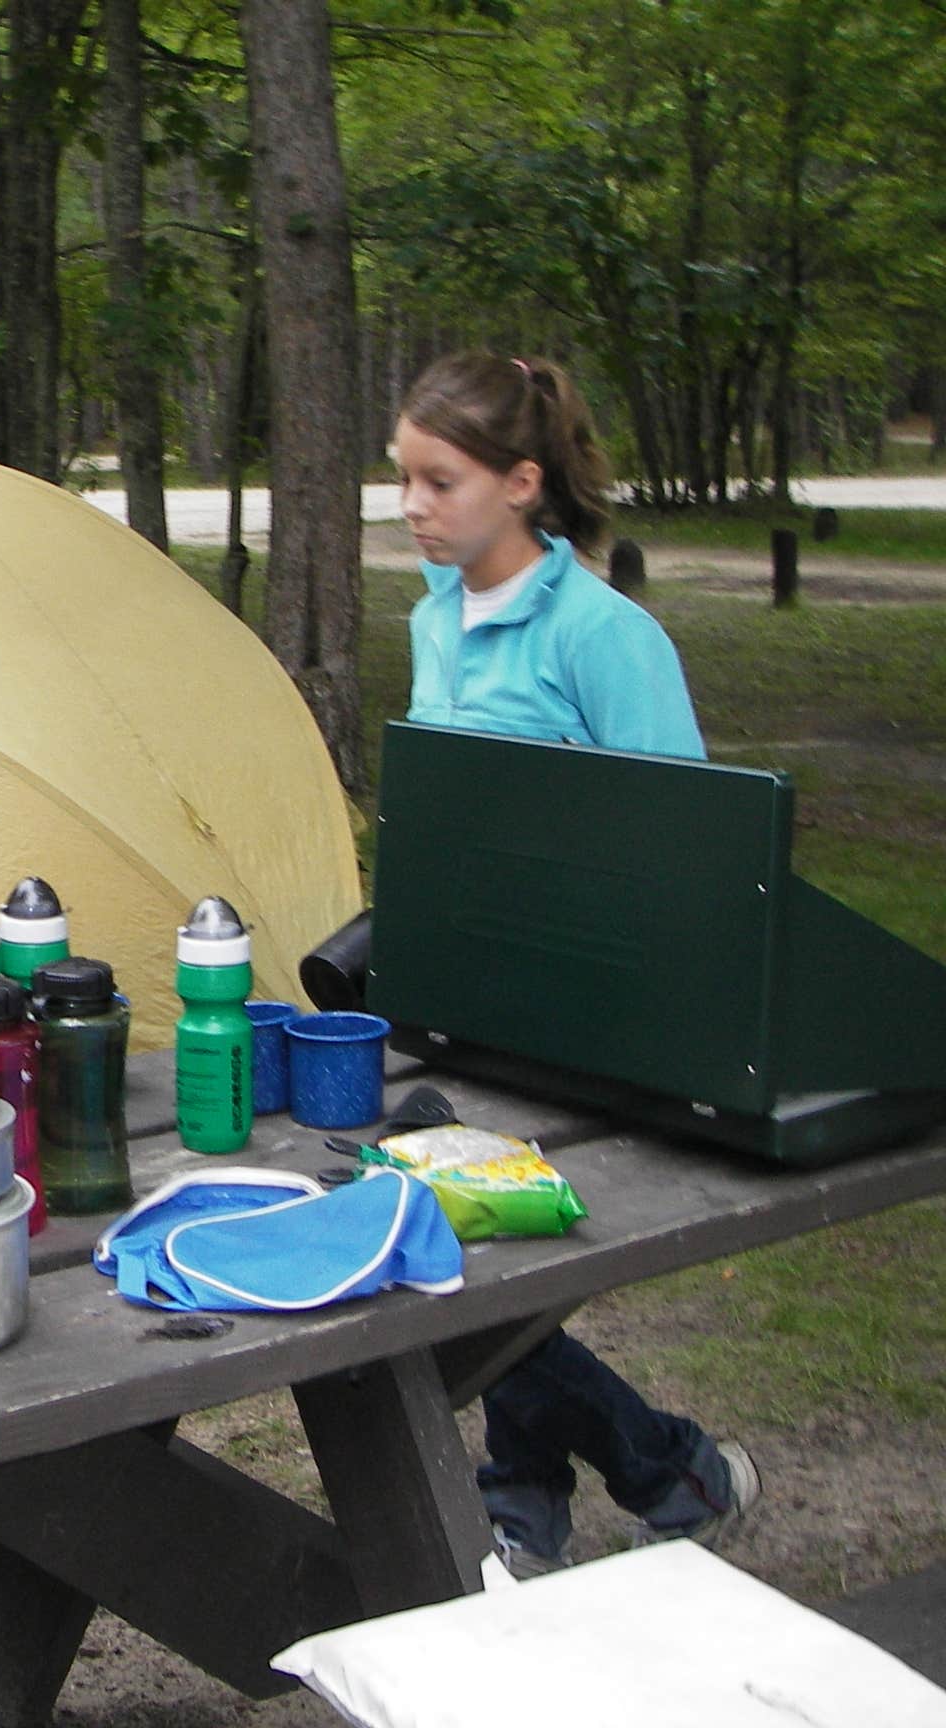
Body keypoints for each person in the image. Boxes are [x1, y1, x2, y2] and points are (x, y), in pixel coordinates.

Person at [395, 350, 761, 1576]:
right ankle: (629, 1472)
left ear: (523, 484)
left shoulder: (610, 637)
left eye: (439, 481)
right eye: (403, 479)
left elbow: (686, 848)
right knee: (462, 1245)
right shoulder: (430, 619)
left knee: (479, 1260)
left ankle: (575, 1489)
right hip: (464, 1002)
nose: (412, 505)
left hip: (589, 1019)